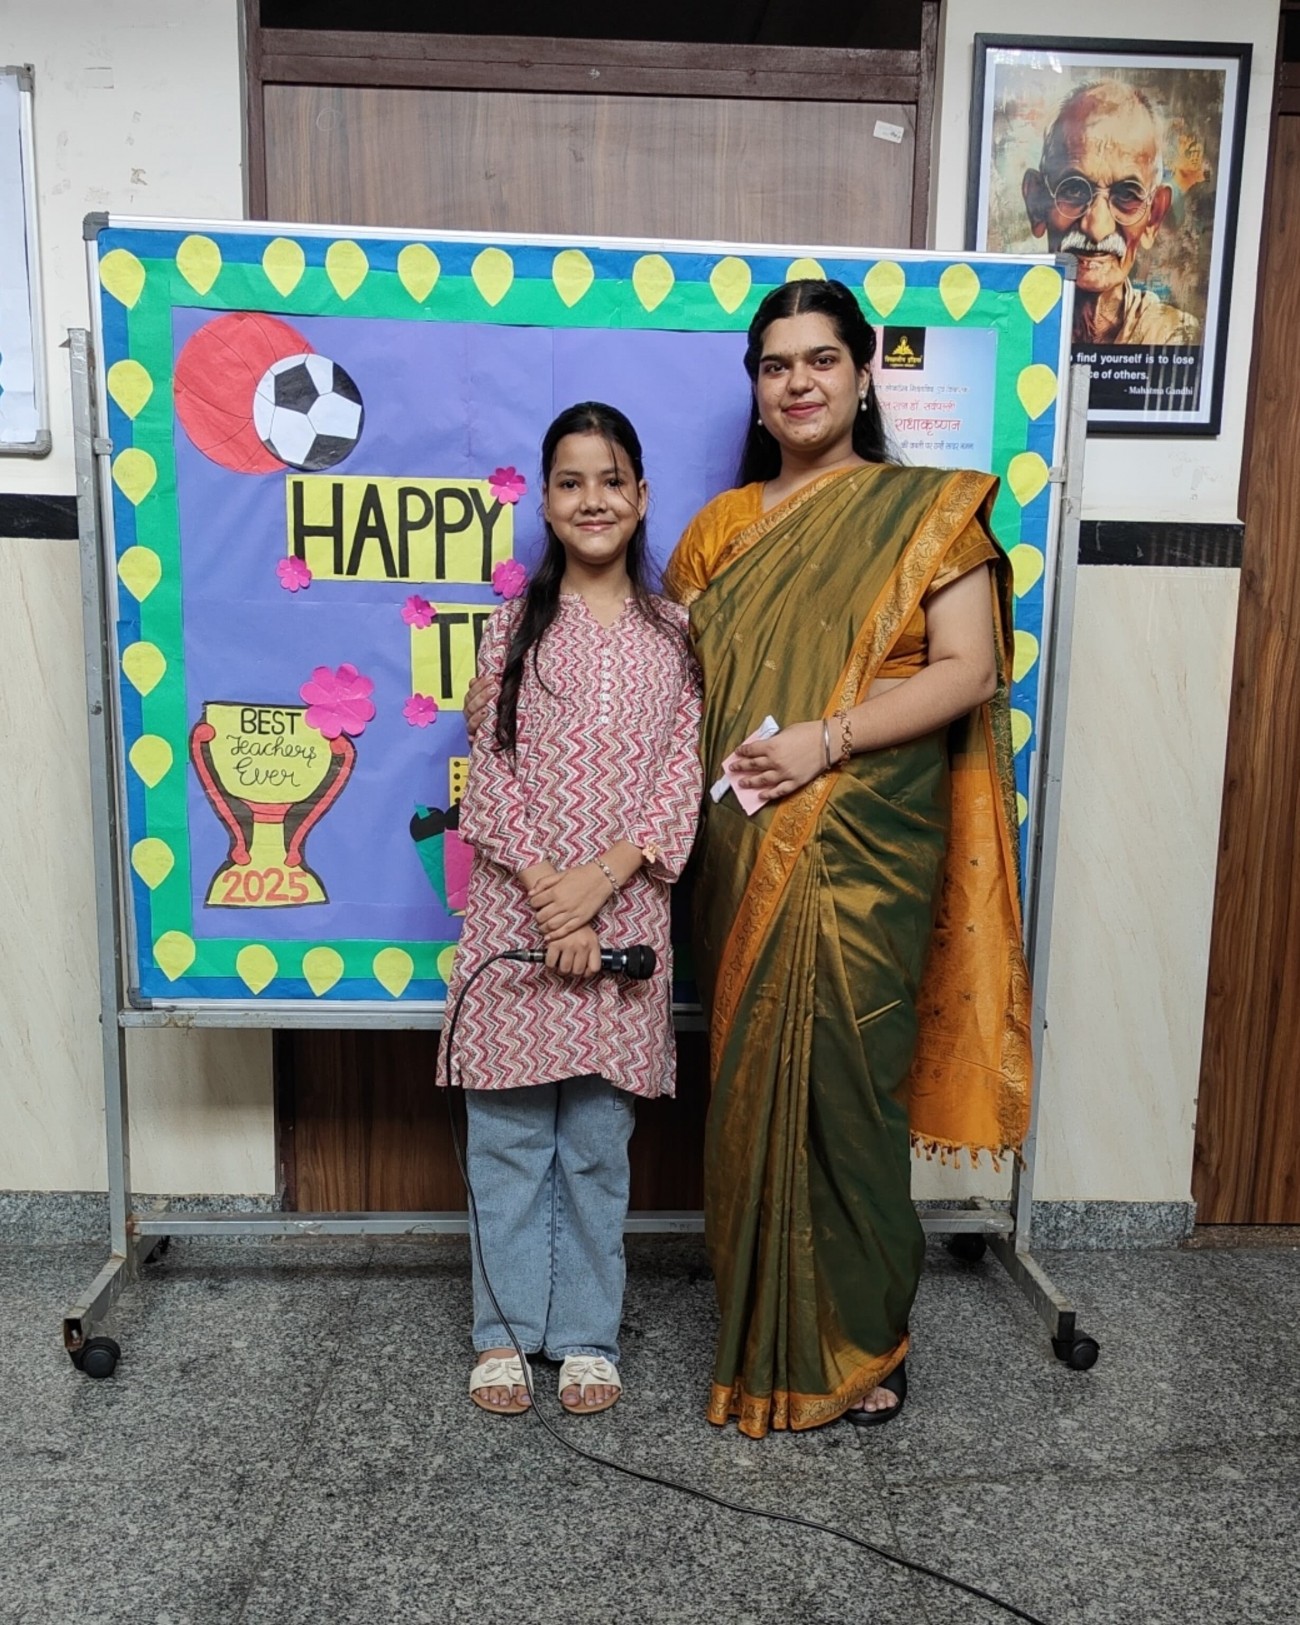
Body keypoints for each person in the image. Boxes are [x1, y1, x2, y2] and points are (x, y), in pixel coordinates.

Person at [663, 279, 1031, 1437]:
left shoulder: (929, 514)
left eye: (821, 359)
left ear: (864, 374)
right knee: (748, 1086)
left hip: (870, 842)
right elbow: (680, 696)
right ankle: (760, 1328)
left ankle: (864, 1337)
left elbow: (967, 670)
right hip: (742, 850)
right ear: (755, 388)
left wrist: (826, 739)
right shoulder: (721, 530)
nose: (799, 383)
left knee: (851, 1086)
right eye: (775, 365)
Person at [443, 401, 702, 1420]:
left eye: (610, 480)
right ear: (546, 503)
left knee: (596, 1146)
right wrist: (554, 899)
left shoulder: (675, 634)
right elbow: (489, 776)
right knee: (507, 1141)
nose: (592, 499)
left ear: (641, 496)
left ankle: (589, 1334)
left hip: (625, 915)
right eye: (569, 481)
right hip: (517, 912)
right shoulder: (511, 628)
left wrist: (602, 882)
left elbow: (680, 776)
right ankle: (503, 1332)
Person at [1021, 79, 1200, 347]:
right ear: (1037, 202)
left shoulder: (1174, 338)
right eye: (1074, 190)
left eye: (1126, 195)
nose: (1097, 228)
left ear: (1153, 216)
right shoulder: (1010, 323)